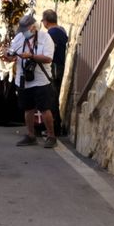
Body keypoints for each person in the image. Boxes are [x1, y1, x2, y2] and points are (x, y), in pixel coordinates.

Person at [3, 13, 56, 148]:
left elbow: (48, 58)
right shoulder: (19, 37)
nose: (24, 33)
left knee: (45, 109)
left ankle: (51, 136)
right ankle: (30, 135)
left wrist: (31, 56)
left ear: (33, 28)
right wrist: (7, 55)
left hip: (40, 79)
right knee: (28, 108)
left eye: (26, 30)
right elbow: (12, 55)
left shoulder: (45, 38)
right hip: (23, 79)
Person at [43, 9, 69, 137]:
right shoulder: (62, 31)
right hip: (61, 65)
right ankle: (56, 126)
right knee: (55, 96)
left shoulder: (50, 34)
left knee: (52, 98)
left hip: (53, 68)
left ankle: (55, 128)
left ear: (46, 21)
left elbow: (48, 52)